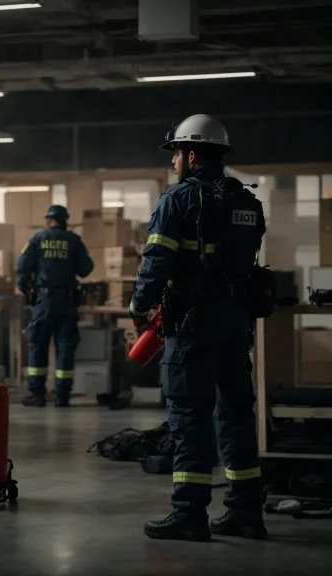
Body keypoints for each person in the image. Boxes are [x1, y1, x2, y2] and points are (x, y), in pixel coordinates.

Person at [129, 114, 267, 541]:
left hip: (192, 324)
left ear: (190, 153)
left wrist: (139, 304)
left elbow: (156, 262)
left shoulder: (178, 200)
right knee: (236, 414)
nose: (173, 162)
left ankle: (189, 514)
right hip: (236, 323)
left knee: (189, 415)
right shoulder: (247, 201)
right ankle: (246, 511)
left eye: (175, 153)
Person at [16, 205, 95, 407]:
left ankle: (38, 394)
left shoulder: (37, 239)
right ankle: (62, 396)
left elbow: (22, 267)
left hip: (44, 300)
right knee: (65, 347)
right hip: (68, 302)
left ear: (49, 220)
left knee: (37, 345)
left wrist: (27, 290)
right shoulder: (74, 241)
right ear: (65, 220)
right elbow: (86, 269)